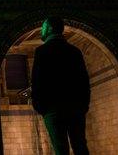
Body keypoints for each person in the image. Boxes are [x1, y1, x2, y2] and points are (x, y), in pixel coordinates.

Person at [31, 17, 90, 155]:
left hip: (52, 109)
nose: (42, 30)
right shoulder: (74, 51)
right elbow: (83, 80)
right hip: (75, 107)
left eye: (44, 27)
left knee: (60, 149)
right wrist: (83, 105)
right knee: (80, 145)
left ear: (50, 28)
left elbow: (37, 81)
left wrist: (40, 106)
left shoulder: (41, 51)